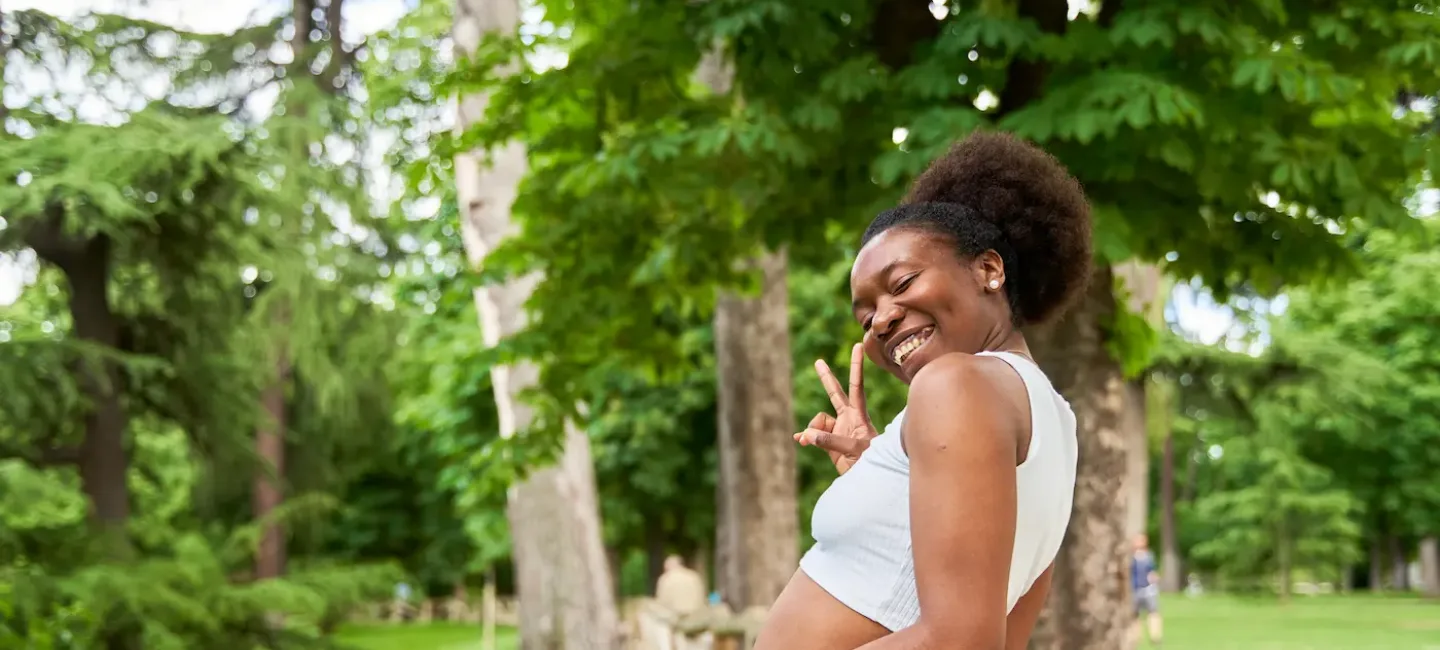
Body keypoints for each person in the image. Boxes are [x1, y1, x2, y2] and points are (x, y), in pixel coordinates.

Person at [753, 131, 1090, 650]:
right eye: (865, 315)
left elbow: (961, 643)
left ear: (989, 269)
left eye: (903, 283)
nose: (881, 319)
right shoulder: (1054, 421)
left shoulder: (955, 383)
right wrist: (885, 469)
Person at [1130, 534, 1164, 647]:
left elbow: (1152, 570)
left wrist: (1154, 577)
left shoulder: (1149, 556)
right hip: (1135, 589)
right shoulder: (1130, 557)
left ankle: (1155, 637)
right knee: (1135, 615)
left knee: (1153, 612)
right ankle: (1136, 637)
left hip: (1148, 589)